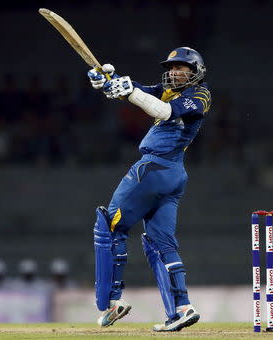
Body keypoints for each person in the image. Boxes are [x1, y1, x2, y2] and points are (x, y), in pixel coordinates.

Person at [88, 47, 211, 332]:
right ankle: (182, 308)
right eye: (171, 68)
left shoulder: (200, 95)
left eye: (182, 68)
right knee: (160, 241)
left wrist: (128, 90)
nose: (174, 72)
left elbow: (163, 111)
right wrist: (109, 79)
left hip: (154, 170)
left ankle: (111, 303)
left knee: (109, 226)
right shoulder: (169, 90)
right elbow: (140, 90)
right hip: (173, 174)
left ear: (196, 72)